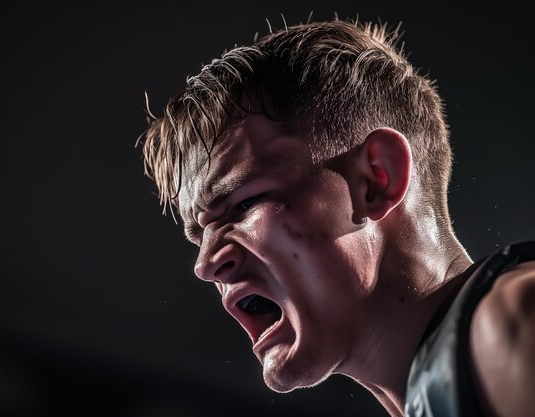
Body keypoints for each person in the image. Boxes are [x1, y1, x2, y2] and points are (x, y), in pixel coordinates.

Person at [136, 16, 535, 417]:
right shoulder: (452, 381)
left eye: (244, 204)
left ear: (375, 180)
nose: (206, 264)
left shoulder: (514, 322)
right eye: (199, 234)